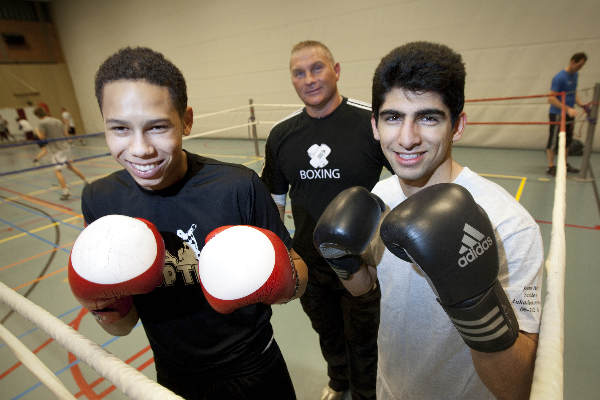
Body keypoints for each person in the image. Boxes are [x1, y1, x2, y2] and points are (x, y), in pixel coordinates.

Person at [314, 42, 544, 399]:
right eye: (393, 117)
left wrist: (475, 306)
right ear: (375, 125)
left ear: (458, 125)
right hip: (389, 389)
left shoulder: (510, 225)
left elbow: (516, 387)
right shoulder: (382, 195)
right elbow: (368, 287)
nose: (407, 139)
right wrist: (346, 265)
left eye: (428, 117)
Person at [76, 46, 308, 400]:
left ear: (186, 119)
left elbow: (298, 276)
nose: (140, 149)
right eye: (120, 129)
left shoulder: (236, 186)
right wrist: (104, 306)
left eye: (157, 127)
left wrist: (279, 279)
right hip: (172, 378)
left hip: (255, 369)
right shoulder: (100, 200)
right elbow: (123, 326)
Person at [261, 40, 390, 400]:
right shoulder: (282, 135)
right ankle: (339, 382)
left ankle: (366, 393)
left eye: (317, 68)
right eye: (299, 73)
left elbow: (404, 184)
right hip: (309, 262)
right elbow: (274, 198)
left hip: (362, 262)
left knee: (365, 337)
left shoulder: (370, 123)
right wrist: (282, 254)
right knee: (326, 330)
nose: (309, 79)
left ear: (336, 70)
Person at [546, 52, 588, 176]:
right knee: (553, 141)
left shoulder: (575, 76)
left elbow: (573, 93)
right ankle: (551, 166)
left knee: (567, 141)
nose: (580, 68)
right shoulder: (559, 78)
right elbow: (551, 98)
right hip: (557, 114)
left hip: (569, 114)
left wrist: (582, 105)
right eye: (579, 65)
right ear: (572, 62)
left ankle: (563, 164)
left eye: (582, 66)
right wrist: (567, 108)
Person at [33, 107, 88, 199]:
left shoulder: (41, 123)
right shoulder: (57, 120)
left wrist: (36, 131)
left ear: (37, 115)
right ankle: (86, 181)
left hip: (56, 150)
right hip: (65, 147)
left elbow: (42, 138)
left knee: (57, 171)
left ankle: (65, 192)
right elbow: (65, 134)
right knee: (70, 167)